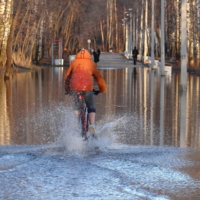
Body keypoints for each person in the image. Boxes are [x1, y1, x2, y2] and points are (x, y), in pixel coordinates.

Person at [65, 49, 106, 138]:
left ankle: (75, 125)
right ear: (89, 56)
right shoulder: (92, 64)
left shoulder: (74, 62)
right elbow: (99, 78)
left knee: (76, 107)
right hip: (87, 88)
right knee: (91, 106)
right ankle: (92, 124)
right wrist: (102, 90)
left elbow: (67, 77)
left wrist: (68, 89)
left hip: (75, 88)